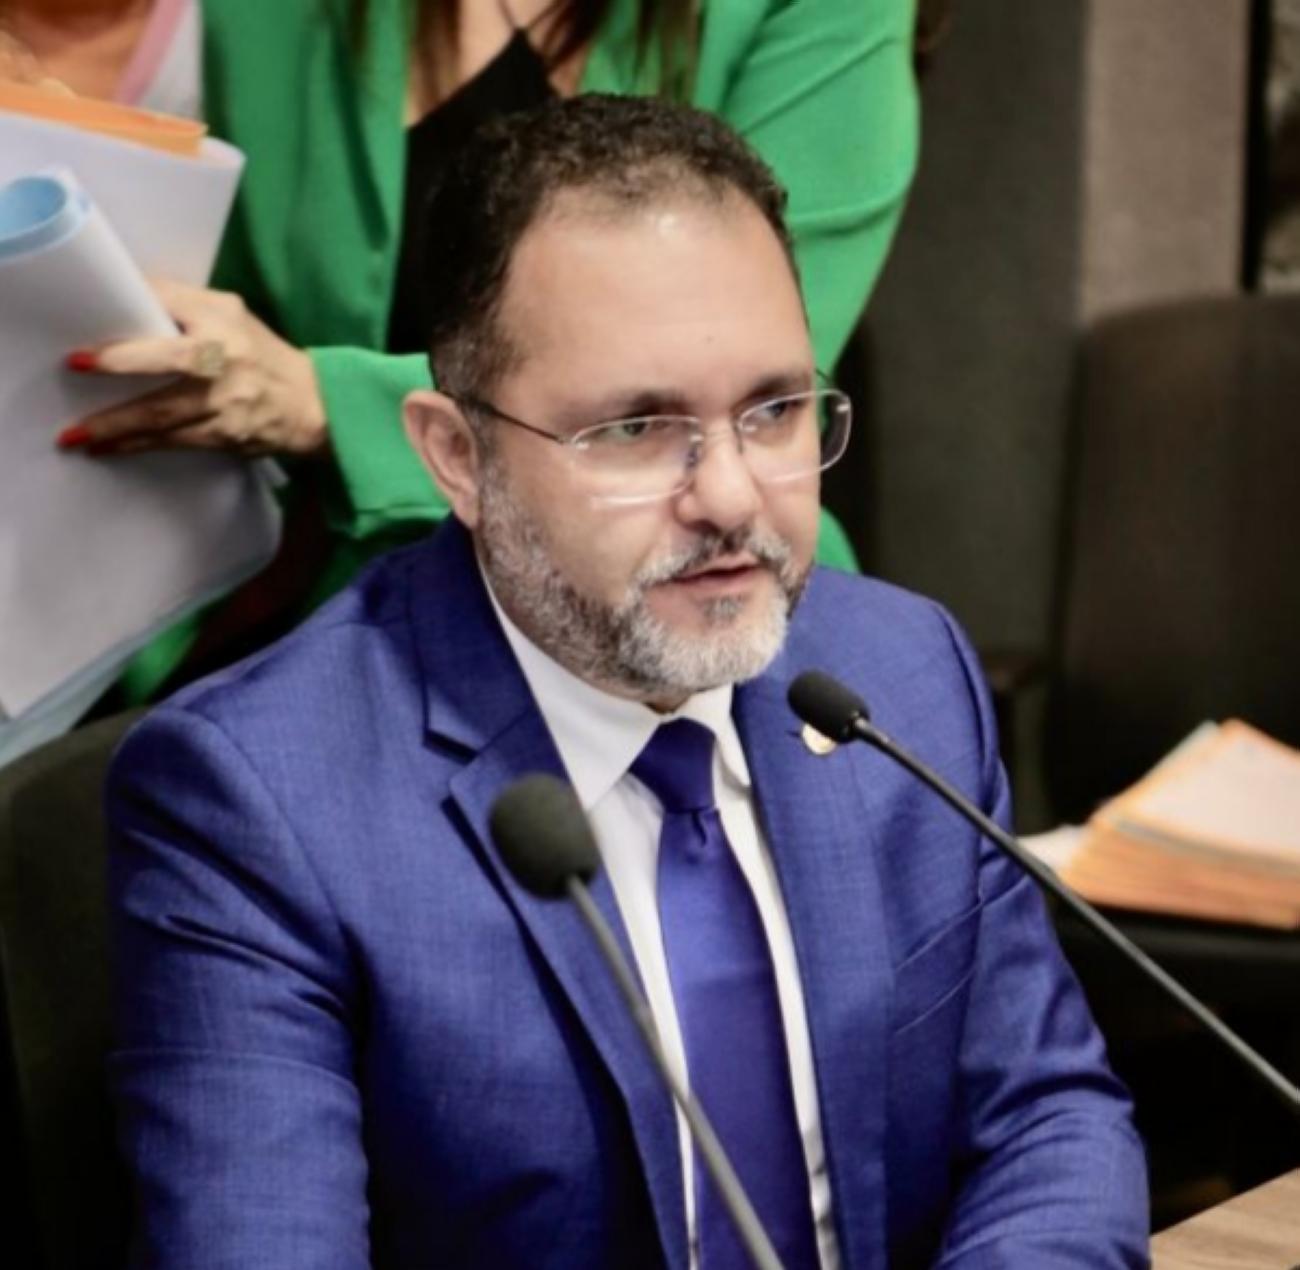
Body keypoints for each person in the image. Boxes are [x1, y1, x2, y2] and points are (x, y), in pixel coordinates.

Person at [107, 96, 1148, 1268]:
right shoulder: (258, 803)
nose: (731, 497)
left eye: (774, 410)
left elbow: (1046, 1122)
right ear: (457, 456)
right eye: (638, 428)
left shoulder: (901, 679)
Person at [51, 0, 919, 702]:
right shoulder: (268, 16)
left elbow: (744, 365)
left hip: (687, 595)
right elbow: (238, 305)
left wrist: (323, 403)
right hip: (334, 599)